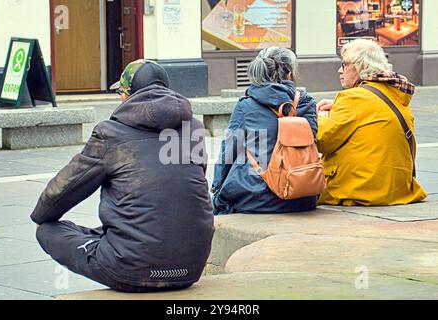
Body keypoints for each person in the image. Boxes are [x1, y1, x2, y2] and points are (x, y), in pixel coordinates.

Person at [31, 60, 215, 293]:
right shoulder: (194, 129)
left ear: (127, 95)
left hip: (131, 272)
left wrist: (40, 216)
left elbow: (63, 191)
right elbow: (187, 187)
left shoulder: (110, 133)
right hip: (190, 268)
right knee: (116, 229)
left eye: (120, 92)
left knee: (49, 229)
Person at [316, 39, 427, 206]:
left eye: (345, 64)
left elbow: (323, 141)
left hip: (359, 189)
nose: (340, 70)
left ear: (360, 66)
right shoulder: (394, 94)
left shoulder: (353, 97)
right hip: (398, 188)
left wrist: (323, 115)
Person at [211, 47, 319, 215]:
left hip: (255, 198)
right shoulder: (307, 104)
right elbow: (313, 144)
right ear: (289, 73)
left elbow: (229, 151)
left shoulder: (246, 106)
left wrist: (217, 188)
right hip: (302, 196)